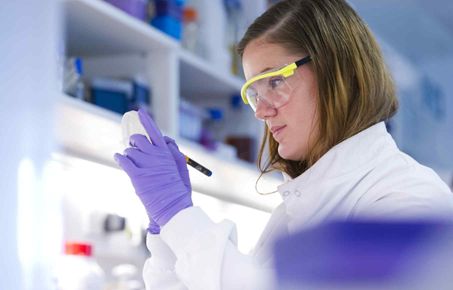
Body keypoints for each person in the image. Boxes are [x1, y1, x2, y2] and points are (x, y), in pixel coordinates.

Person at [114, 0, 453, 289]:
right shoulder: (294, 211)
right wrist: (167, 229)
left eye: (274, 81)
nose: (261, 111)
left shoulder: (408, 199)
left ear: (339, 71)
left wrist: (179, 215)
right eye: (254, 93)